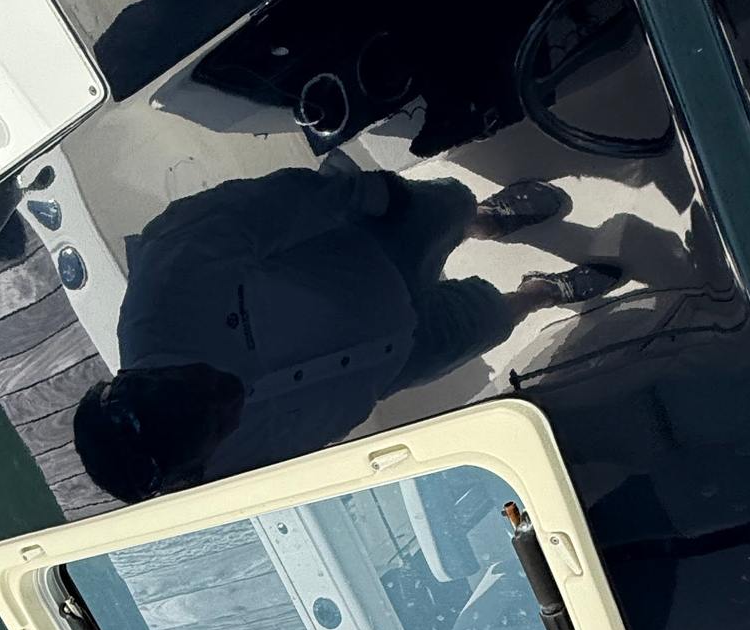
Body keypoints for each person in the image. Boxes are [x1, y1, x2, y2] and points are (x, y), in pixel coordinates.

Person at [72, 160, 621, 503]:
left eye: (208, 386)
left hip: (371, 249)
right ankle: (540, 291)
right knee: (491, 323)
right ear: (190, 472)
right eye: (222, 426)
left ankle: (484, 219)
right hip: (384, 366)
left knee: (447, 206)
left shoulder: (166, 287)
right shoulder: (211, 485)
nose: (231, 398)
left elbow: (265, 206)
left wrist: (370, 194)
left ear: (149, 376)